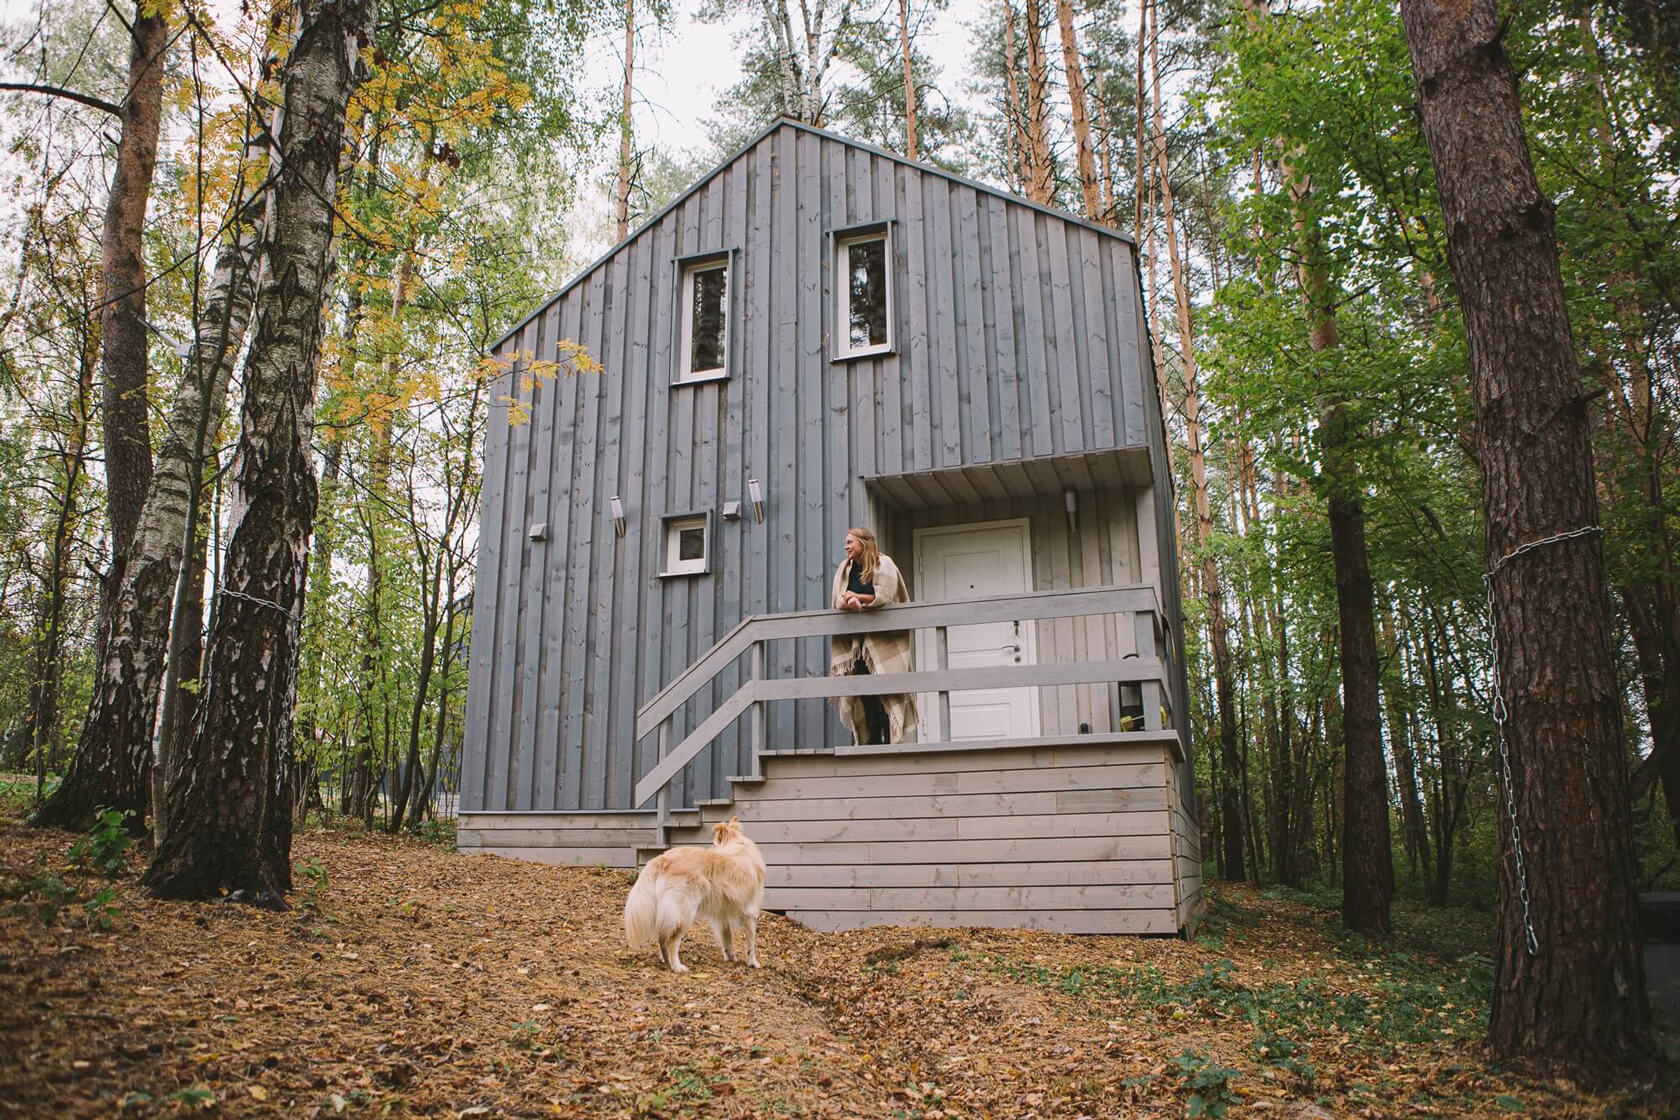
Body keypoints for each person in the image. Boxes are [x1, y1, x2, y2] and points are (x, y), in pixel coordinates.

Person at [829, 527, 917, 745]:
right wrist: (849, 601)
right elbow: (839, 598)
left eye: (850, 542)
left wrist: (857, 597)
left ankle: (889, 737)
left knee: (885, 690)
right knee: (862, 686)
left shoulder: (883, 564)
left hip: (884, 638)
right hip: (856, 642)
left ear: (864, 542)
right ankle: (873, 736)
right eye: (846, 542)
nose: (846, 546)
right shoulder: (845, 569)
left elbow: (884, 596)